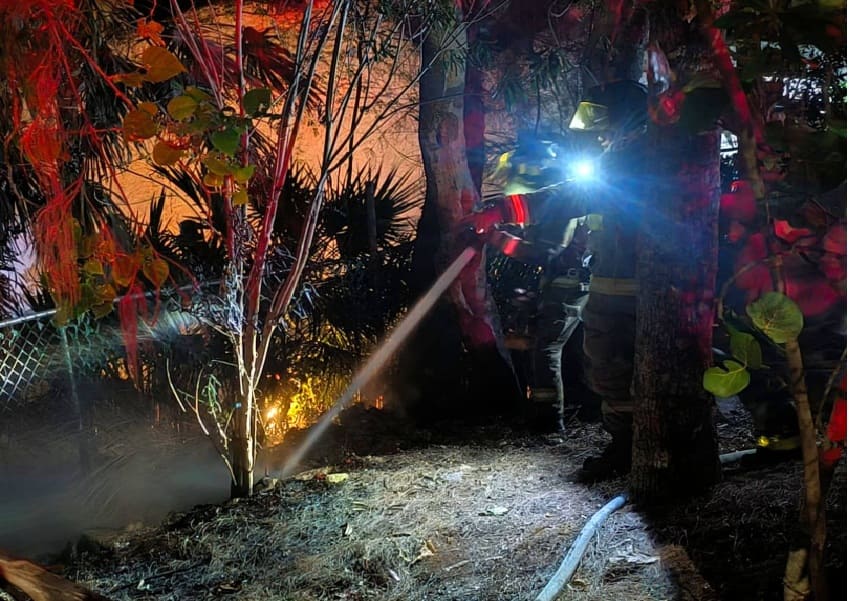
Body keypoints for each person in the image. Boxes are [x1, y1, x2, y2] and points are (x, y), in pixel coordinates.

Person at [465, 80, 649, 478]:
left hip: (615, 289)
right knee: (611, 368)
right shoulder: (639, 157)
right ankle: (629, 445)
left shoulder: (632, 161)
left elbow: (562, 205)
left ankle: (622, 445)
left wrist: (499, 217)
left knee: (609, 368)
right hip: (614, 285)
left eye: (604, 128)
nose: (599, 137)